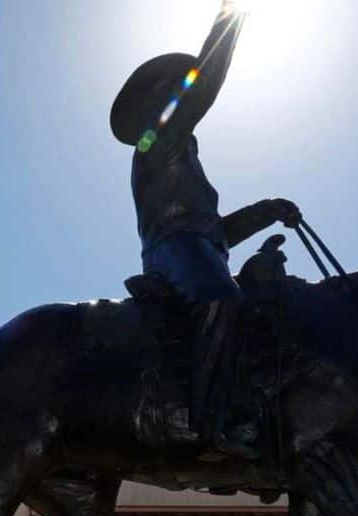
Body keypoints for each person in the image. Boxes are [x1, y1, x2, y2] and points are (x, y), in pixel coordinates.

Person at [110, 0, 301, 458]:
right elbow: (206, 84)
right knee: (221, 301)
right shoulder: (153, 139)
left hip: (197, 246)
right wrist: (231, 17)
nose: (181, 91)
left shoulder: (183, 153)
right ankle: (212, 426)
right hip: (171, 249)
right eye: (173, 89)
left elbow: (216, 231)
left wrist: (267, 210)